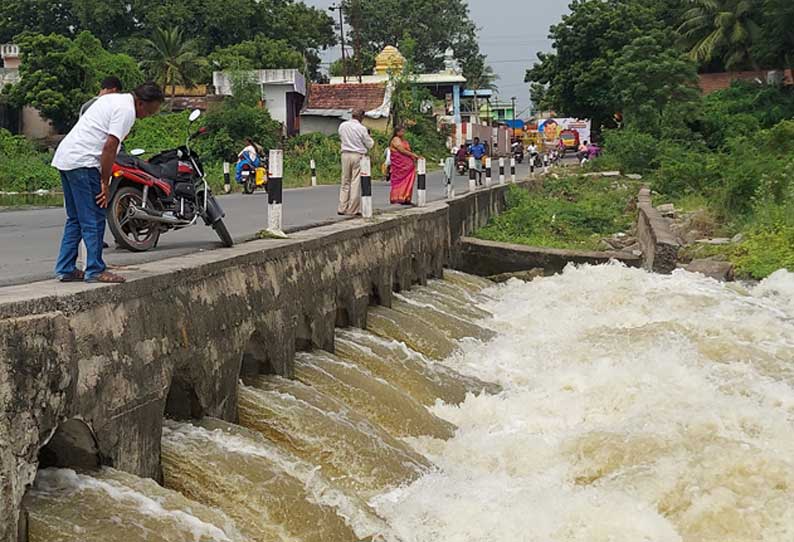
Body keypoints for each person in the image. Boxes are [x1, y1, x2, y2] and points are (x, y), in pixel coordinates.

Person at [52, 82, 164, 284]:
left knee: (76, 218)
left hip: (67, 157)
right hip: (83, 162)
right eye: (149, 110)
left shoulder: (115, 100)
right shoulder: (127, 110)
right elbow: (110, 147)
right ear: (140, 102)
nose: (148, 115)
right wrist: (105, 182)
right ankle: (94, 269)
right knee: (94, 216)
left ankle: (65, 268)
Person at [337, 109, 374, 216]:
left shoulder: (343, 126)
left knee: (345, 181)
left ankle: (342, 207)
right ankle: (352, 209)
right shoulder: (362, 128)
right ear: (361, 117)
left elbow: (341, 137)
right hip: (358, 155)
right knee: (355, 182)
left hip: (345, 154)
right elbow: (370, 144)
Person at [389, 125, 421, 205]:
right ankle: (398, 197)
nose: (403, 133)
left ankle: (406, 197)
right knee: (400, 180)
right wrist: (413, 155)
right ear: (397, 132)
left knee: (409, 178)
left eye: (404, 131)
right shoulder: (396, 139)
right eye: (402, 131)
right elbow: (401, 150)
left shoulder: (403, 140)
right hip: (400, 165)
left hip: (407, 165)